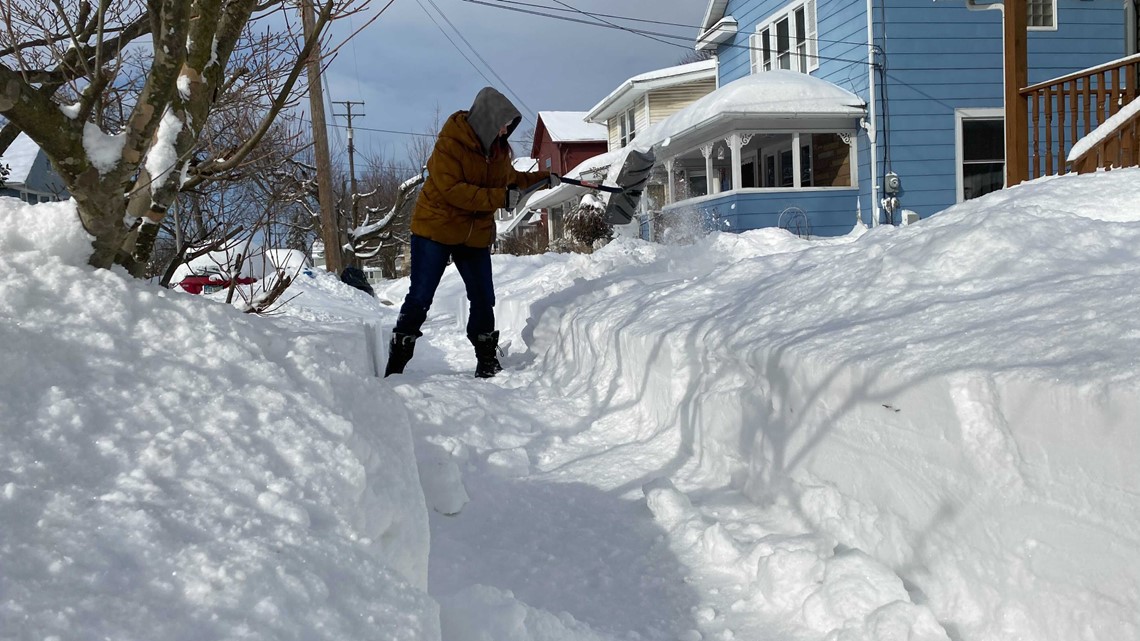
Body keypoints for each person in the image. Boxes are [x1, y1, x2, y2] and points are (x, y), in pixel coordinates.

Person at [385, 86, 558, 378]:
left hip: (473, 234)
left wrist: (545, 178)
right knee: (420, 296)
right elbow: (452, 191)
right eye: (503, 123)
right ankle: (397, 362)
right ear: (487, 120)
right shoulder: (450, 143)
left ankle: (486, 360)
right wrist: (498, 198)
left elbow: (512, 179)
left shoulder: (498, 152)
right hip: (435, 229)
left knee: (483, 296)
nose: (506, 130)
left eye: (508, 125)